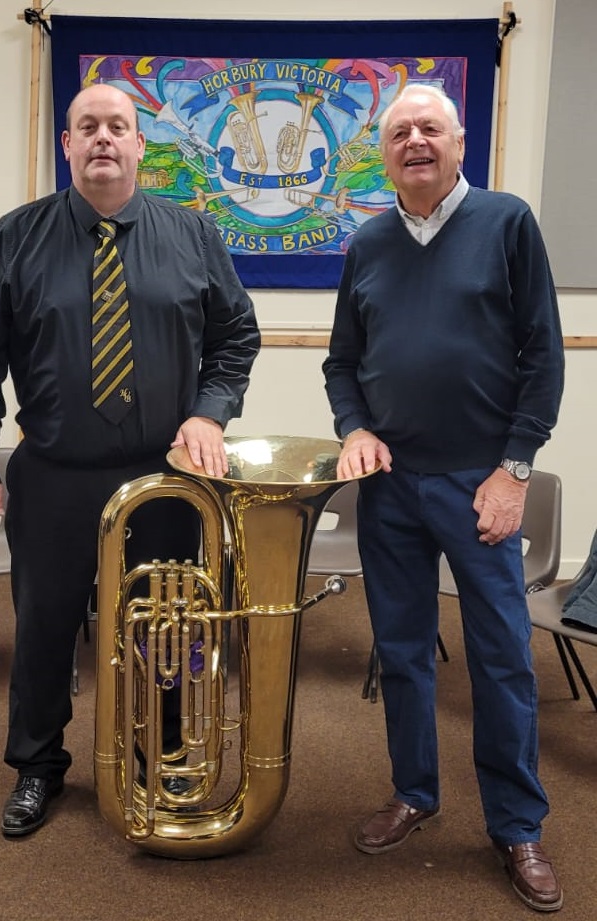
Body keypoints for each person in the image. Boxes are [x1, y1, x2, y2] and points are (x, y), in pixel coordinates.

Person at [0, 83, 260, 839]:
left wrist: (206, 412)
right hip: (54, 472)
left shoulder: (193, 234)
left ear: (140, 145)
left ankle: (163, 757)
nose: (103, 139)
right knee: (45, 627)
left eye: (118, 126)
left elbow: (235, 339)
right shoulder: (18, 236)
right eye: (88, 126)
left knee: (166, 629)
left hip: (165, 476)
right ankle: (38, 765)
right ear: (68, 144)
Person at [322, 85, 564, 913]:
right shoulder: (368, 241)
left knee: (499, 657)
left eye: (429, 128)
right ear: (382, 153)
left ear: (460, 143)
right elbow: (340, 364)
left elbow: (543, 353)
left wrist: (515, 467)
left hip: (477, 483)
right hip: (387, 483)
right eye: (399, 133)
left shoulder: (506, 223)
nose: (415, 141)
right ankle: (414, 793)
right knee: (399, 650)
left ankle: (516, 824)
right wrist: (353, 428)